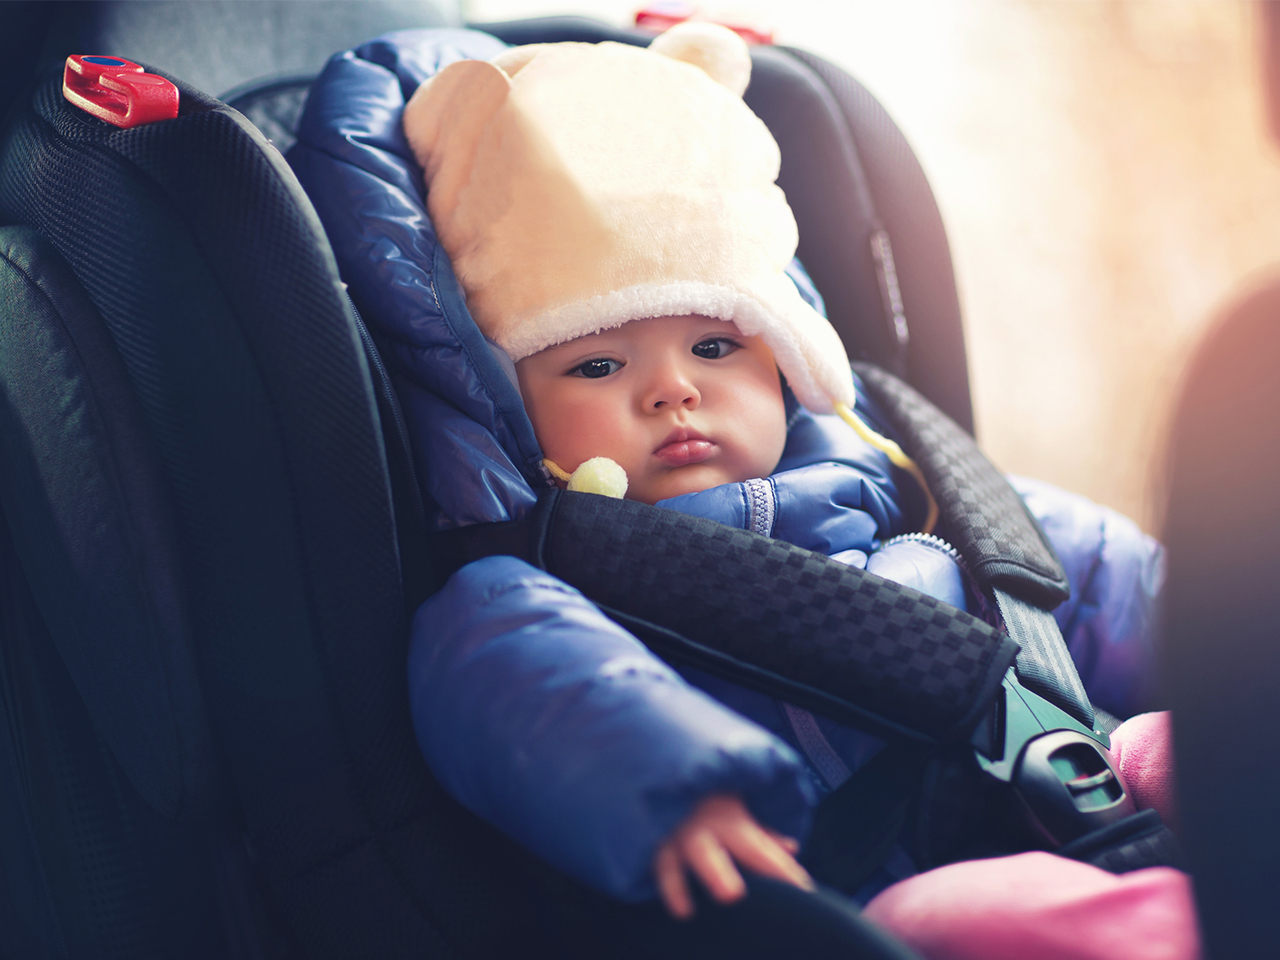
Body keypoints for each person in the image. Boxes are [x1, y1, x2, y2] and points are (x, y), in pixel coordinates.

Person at [391, 22, 1193, 958]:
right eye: (598, 362)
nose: (672, 389)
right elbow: (521, 682)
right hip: (855, 895)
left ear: (786, 358)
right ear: (515, 409)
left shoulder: (922, 499)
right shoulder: (540, 581)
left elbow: (1108, 578)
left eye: (716, 346)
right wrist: (677, 783)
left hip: (1090, 813)